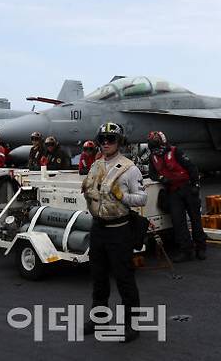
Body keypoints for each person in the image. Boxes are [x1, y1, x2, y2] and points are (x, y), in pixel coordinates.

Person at [82, 122, 148, 343]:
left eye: (111, 139)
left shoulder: (130, 169)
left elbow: (142, 198)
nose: (106, 143)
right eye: (103, 139)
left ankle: (132, 324)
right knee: (98, 278)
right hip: (98, 228)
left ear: (119, 142)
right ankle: (99, 318)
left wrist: (123, 197)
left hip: (119, 230)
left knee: (124, 279)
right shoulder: (95, 165)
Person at [148, 131, 206, 262]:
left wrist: (196, 185)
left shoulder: (175, 151)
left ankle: (201, 248)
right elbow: (152, 174)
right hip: (173, 191)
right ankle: (186, 250)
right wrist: (162, 178)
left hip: (188, 188)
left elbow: (191, 167)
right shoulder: (153, 157)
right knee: (178, 222)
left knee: (196, 220)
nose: (156, 149)